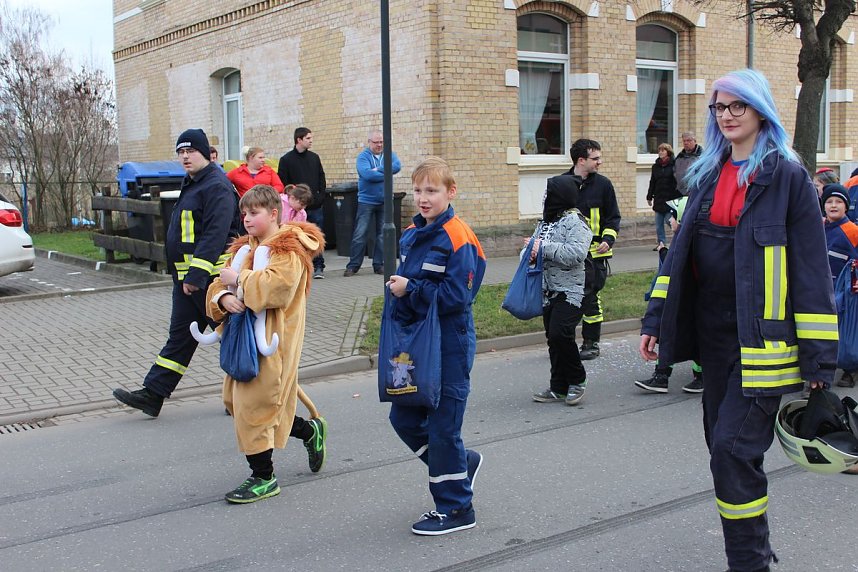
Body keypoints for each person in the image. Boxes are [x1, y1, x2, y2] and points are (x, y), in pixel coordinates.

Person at [639, 69, 838, 572]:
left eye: (737, 107)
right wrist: (656, 320)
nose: (726, 115)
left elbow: (811, 272)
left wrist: (820, 358)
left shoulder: (787, 177)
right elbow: (679, 260)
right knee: (724, 453)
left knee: (732, 450)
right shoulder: (706, 173)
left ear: (760, 111)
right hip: (713, 337)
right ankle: (751, 550)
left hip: (763, 343)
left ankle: (748, 563)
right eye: (719, 107)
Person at [385, 157, 486, 536]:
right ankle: (461, 465)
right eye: (418, 190)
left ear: (450, 191)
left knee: (444, 429)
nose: (423, 199)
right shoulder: (413, 234)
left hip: (449, 344)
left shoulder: (458, 237)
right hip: (415, 343)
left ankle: (457, 508)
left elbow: (457, 297)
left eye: (432, 191)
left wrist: (410, 289)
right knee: (403, 418)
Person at [207, 184, 327, 503]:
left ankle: (264, 477)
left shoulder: (287, 249)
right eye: (243, 213)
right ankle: (309, 431)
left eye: (254, 213)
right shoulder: (244, 248)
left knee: (256, 407)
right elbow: (219, 282)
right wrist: (224, 297)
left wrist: (240, 281)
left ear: (274, 214)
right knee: (241, 403)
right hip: (244, 340)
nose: (246, 219)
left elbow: (278, 289)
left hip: (275, 342)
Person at [112, 129, 242, 417]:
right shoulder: (194, 182)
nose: (185, 156)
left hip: (211, 281)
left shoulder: (216, 186)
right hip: (189, 281)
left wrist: (196, 277)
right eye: (180, 152)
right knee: (181, 338)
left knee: (235, 337)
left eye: (190, 151)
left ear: (206, 153)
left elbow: (215, 235)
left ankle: (252, 395)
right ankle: (153, 394)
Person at [546, 139, 621, 362]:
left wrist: (609, 238)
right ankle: (561, 340)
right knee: (560, 299)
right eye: (595, 158)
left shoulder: (604, 185)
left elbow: (613, 217)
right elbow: (550, 215)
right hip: (566, 256)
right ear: (581, 160)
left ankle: (591, 342)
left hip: (595, 254)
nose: (600, 162)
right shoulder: (561, 184)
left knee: (589, 298)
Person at [528, 175, 593, 406]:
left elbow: (575, 253)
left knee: (560, 334)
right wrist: (530, 252)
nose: (545, 197)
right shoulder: (545, 222)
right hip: (548, 289)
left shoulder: (576, 221)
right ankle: (558, 387)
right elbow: (529, 250)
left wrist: (542, 248)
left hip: (574, 290)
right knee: (552, 339)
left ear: (560, 195)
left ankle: (578, 380)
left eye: (549, 193)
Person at [635, 195, 704, 394]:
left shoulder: (692, 247)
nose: (669, 221)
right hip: (674, 305)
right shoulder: (677, 246)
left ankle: (701, 376)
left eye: (672, 217)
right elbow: (663, 284)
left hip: (693, 306)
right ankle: (662, 375)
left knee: (698, 336)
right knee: (668, 331)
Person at [344, 129, 402, 277]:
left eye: (382, 142)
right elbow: (367, 175)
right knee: (360, 234)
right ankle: (353, 266)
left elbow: (397, 166)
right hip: (366, 201)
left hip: (385, 201)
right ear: (369, 142)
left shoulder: (389, 153)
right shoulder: (363, 157)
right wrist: (386, 173)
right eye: (376, 142)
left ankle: (379, 265)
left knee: (383, 234)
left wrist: (378, 169)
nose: (379, 145)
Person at [821, 183, 858, 388]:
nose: (833, 205)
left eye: (838, 202)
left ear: (846, 207)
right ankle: (821, 372)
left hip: (846, 292)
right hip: (822, 288)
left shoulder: (852, 231)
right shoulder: (819, 228)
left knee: (846, 331)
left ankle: (850, 369)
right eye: (829, 201)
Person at [278, 127, 327, 278]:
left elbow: (321, 178)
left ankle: (318, 266)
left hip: (315, 206)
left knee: (315, 236)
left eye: (311, 138)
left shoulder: (314, 157)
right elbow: (282, 182)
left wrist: (319, 197)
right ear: (299, 140)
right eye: (308, 138)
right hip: (294, 208)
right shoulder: (286, 160)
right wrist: (293, 200)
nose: (311, 141)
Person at [646, 142, 680, 250]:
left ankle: (680, 236)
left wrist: (678, 197)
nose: (660, 152)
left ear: (668, 152)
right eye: (659, 150)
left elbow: (677, 182)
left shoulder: (674, 165)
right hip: (659, 198)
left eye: (663, 150)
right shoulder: (655, 166)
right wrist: (649, 196)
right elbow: (653, 181)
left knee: (668, 220)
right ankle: (661, 243)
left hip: (670, 198)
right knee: (658, 224)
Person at [674, 132, 703, 196]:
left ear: (695, 141)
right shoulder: (679, 158)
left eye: (689, 140)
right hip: (680, 193)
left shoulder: (702, 157)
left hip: (696, 193)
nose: (686, 143)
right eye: (684, 141)